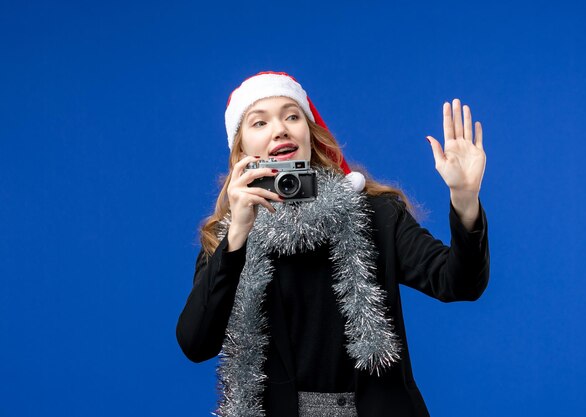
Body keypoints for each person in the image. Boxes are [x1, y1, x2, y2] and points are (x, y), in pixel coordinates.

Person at [176, 71, 490, 417]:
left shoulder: (376, 213)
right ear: (241, 152)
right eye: (259, 122)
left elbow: (458, 282)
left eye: (292, 116)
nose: (280, 128)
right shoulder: (226, 240)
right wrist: (237, 237)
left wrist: (464, 198)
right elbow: (195, 343)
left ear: (309, 134)